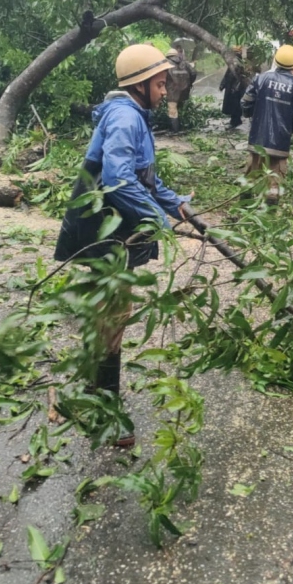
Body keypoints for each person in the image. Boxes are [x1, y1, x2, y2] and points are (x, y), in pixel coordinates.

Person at [54, 43, 193, 443]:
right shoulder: (123, 117)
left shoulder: (132, 114)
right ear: (142, 83)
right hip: (103, 231)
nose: (165, 91)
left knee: (109, 313)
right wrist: (153, 218)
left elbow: (143, 176)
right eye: (162, 83)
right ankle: (104, 411)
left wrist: (175, 205)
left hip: (110, 230)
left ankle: (93, 390)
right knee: (114, 314)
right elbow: (117, 179)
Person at [241, 43, 293, 205]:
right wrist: (289, 130)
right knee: (274, 186)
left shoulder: (261, 78)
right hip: (280, 144)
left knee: (250, 180)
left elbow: (245, 102)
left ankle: (243, 212)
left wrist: (250, 116)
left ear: (275, 60)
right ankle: (270, 216)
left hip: (257, 140)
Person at [165, 38, 197, 133]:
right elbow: (193, 73)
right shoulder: (185, 63)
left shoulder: (166, 63)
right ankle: (181, 126)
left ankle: (175, 130)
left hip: (172, 91)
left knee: (172, 110)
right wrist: (189, 83)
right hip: (184, 90)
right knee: (180, 107)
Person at [219, 46, 246, 129]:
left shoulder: (241, 62)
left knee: (236, 106)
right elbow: (228, 73)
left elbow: (242, 76)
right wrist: (223, 84)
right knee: (232, 105)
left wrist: (236, 87)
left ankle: (235, 121)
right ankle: (233, 120)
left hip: (236, 88)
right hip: (230, 86)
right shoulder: (233, 61)